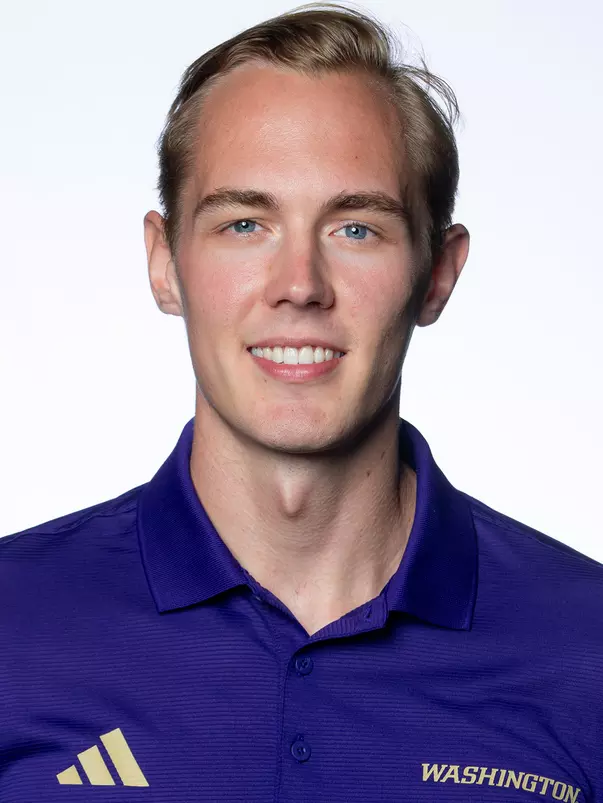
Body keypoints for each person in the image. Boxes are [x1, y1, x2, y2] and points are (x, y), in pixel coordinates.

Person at [1, 3, 601, 801]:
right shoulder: (16, 627)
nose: (299, 287)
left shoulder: (584, 648)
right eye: (245, 223)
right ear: (164, 263)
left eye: (356, 229)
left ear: (437, 274)